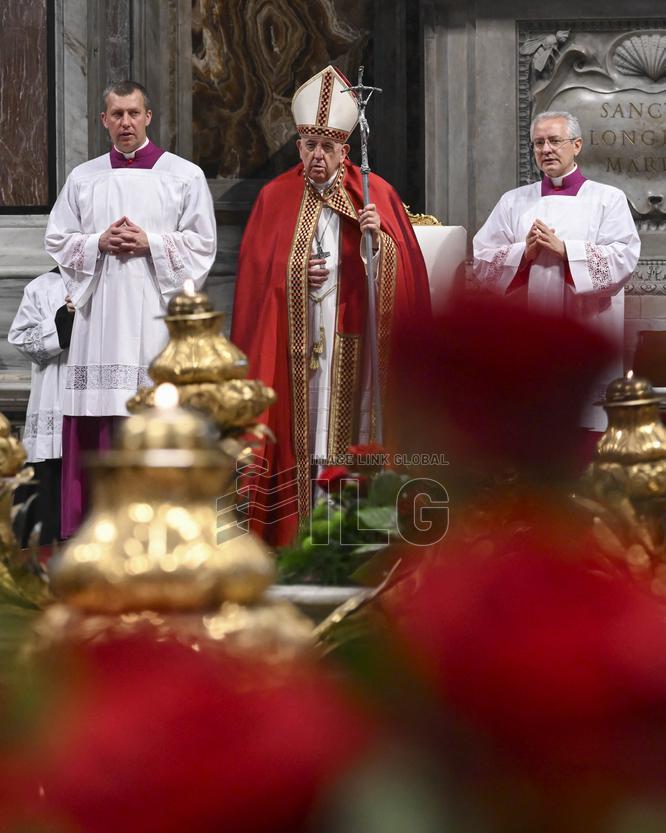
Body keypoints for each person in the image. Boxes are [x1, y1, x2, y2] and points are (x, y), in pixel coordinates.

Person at [231, 65, 430, 545]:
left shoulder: (374, 193)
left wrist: (375, 241)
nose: (317, 156)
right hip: (294, 347)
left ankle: (354, 529)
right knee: (304, 436)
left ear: (345, 149)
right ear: (298, 144)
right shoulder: (273, 198)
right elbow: (257, 284)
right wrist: (294, 275)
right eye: (309, 145)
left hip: (353, 340)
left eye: (328, 147)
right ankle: (295, 528)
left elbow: (404, 276)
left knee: (345, 433)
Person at [45, 80, 217, 536]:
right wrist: (97, 241)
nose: (125, 122)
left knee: (152, 415)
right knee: (97, 416)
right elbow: (58, 238)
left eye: (133, 113)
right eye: (116, 114)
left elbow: (203, 245)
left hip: (153, 320)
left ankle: (157, 529)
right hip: (97, 320)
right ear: (103, 120)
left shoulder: (184, 175)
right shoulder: (84, 178)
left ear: (148, 117)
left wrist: (152, 243)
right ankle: (91, 528)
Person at [473, 110, 640, 430]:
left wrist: (566, 252)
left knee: (587, 425)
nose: (546, 149)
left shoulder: (608, 199)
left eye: (554, 141)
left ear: (577, 145)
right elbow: (482, 260)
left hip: (588, 328)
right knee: (533, 428)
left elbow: (624, 258)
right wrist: (525, 254)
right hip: (530, 332)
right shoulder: (514, 202)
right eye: (538, 143)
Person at [8, 269, 73, 544]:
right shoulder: (43, 286)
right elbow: (22, 340)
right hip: (55, 404)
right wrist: (65, 318)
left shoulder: (119, 281)